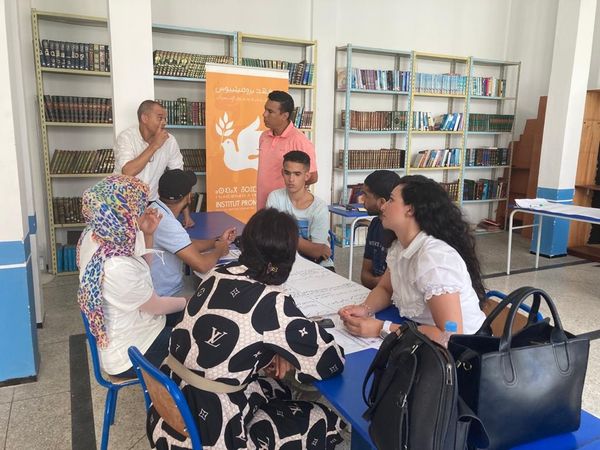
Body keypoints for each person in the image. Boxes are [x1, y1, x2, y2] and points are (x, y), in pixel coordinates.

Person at [148, 208, 346, 449]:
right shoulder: (273, 302)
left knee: (277, 388)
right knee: (325, 419)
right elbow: (329, 362)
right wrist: (285, 351)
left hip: (169, 415)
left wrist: (273, 351)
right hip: (213, 437)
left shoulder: (216, 274)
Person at [338, 175, 486, 344]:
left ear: (410, 209)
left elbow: (449, 336)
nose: (383, 206)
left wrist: (381, 328)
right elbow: (386, 289)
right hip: (422, 332)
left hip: (463, 348)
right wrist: (365, 309)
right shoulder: (400, 245)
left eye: (391, 200)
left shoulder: (434, 258)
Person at [76, 175, 187, 378]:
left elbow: (143, 270)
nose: (145, 211)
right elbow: (157, 307)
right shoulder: (117, 264)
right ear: (124, 214)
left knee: (189, 318)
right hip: (131, 353)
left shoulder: (100, 235)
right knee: (197, 338)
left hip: (134, 329)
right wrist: (191, 301)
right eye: (140, 209)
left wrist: (148, 233)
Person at [149, 169, 236, 300]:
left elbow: (186, 245)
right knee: (219, 296)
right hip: (166, 294)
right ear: (189, 197)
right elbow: (202, 265)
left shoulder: (155, 210)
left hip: (158, 288)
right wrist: (220, 250)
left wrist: (217, 241)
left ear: (159, 192)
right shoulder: (167, 223)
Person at [114, 99, 194, 228]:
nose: (164, 122)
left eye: (165, 119)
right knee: (132, 238)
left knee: (151, 238)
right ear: (145, 118)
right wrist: (155, 145)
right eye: (160, 118)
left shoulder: (169, 141)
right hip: (124, 202)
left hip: (153, 204)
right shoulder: (126, 138)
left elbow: (179, 178)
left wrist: (186, 215)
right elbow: (128, 171)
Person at [266, 150, 333, 270]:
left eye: (297, 174)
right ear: (282, 173)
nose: (291, 179)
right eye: (287, 173)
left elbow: (318, 253)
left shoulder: (319, 207)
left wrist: (283, 236)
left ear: (306, 176)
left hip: (317, 265)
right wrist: (308, 245)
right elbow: (270, 239)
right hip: (284, 262)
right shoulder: (275, 197)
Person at [257, 90, 318, 209]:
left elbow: (313, 176)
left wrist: (288, 191)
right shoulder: (264, 136)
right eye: (265, 110)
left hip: (286, 209)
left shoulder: (300, 141)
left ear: (284, 116)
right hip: (262, 205)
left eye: (270, 111)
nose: (264, 114)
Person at [360, 170, 401, 289]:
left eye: (366, 195)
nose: (362, 199)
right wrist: (380, 283)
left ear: (381, 202)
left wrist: (381, 284)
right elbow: (364, 275)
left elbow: (397, 285)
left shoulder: (400, 232)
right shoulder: (375, 225)